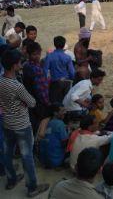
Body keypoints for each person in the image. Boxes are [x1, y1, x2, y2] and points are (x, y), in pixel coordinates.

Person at [0, 49, 49, 197]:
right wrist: (22, 102)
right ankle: (32, 187)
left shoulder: (1, 80)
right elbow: (32, 102)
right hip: (21, 124)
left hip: (7, 123)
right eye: (20, 63)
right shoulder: (17, 86)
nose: (21, 64)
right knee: (27, 157)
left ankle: (11, 180)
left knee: (7, 153)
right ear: (15, 65)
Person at [22, 42, 50, 133]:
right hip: (38, 102)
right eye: (34, 54)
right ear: (29, 55)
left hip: (29, 101)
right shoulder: (36, 69)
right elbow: (41, 90)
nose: (37, 56)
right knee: (39, 128)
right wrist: (47, 103)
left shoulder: (26, 65)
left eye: (38, 54)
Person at [44, 36, 75, 103]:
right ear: (64, 45)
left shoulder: (49, 56)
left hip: (55, 83)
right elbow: (72, 73)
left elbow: (45, 72)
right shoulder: (67, 57)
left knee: (54, 103)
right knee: (65, 102)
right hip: (66, 82)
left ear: (54, 44)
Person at [38, 104, 68, 169]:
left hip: (44, 161)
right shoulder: (60, 124)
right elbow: (64, 143)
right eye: (62, 111)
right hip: (56, 161)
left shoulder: (46, 121)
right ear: (55, 113)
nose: (65, 112)